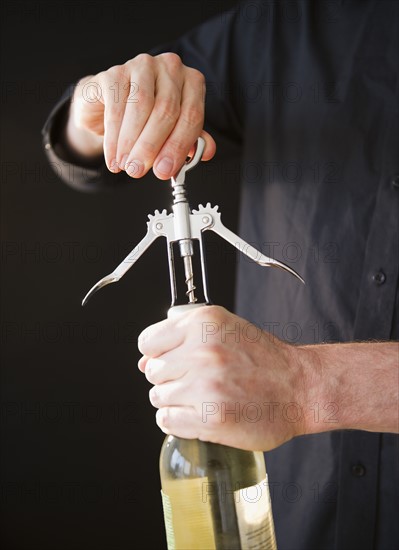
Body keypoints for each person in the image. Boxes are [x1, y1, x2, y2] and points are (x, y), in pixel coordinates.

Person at [42, 1, 398, 548]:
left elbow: (305, 388)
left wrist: (310, 386)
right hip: (292, 519)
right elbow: (84, 149)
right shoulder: (282, 25)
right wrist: (100, 107)